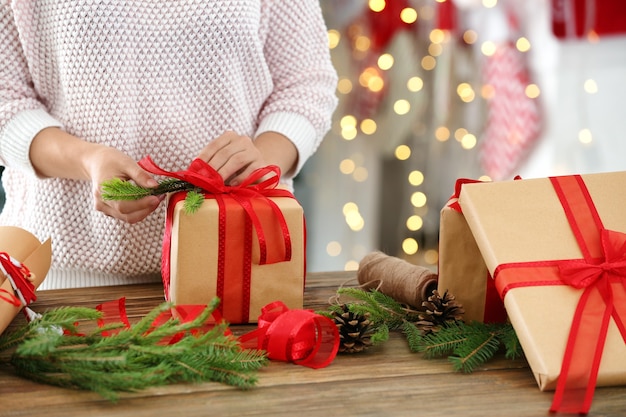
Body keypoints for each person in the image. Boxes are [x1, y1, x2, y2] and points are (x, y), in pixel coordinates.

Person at [0, 1, 338, 289]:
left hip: (236, 273)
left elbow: (305, 82)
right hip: (62, 282)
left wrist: (261, 160)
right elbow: (6, 98)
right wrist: (88, 160)